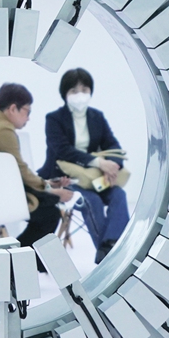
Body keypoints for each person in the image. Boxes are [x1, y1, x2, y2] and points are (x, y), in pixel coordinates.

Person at [0, 83, 74, 250]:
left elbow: (14, 173)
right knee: (50, 212)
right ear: (13, 109)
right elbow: (20, 171)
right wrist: (50, 190)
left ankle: (21, 258)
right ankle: (16, 259)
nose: (28, 117)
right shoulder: (3, 130)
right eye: (27, 111)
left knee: (47, 205)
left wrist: (47, 184)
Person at [38, 68, 130, 264]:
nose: (80, 95)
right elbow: (63, 150)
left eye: (84, 89)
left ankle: (109, 246)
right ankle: (111, 258)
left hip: (95, 179)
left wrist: (114, 166)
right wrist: (99, 162)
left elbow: (113, 146)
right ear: (65, 94)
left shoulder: (97, 117)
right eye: (74, 91)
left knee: (119, 196)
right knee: (91, 201)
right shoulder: (54, 119)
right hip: (64, 179)